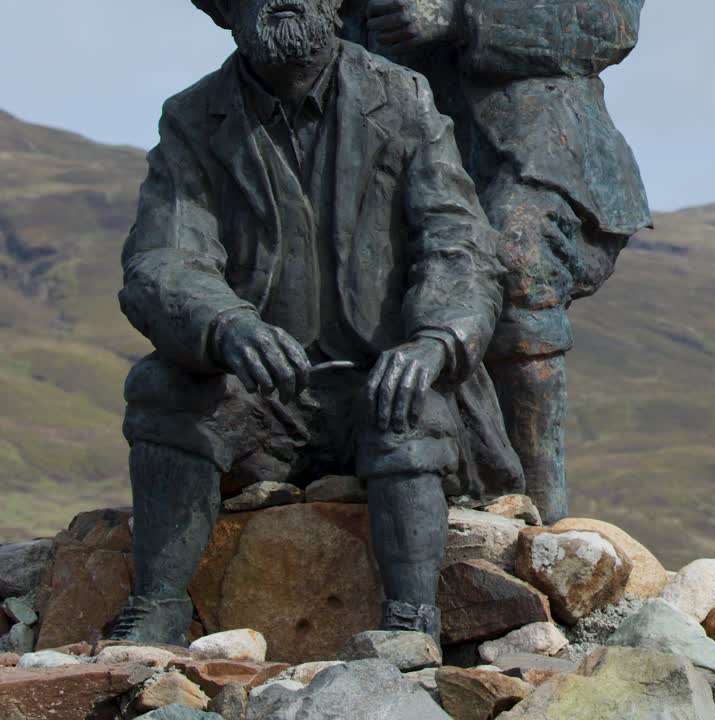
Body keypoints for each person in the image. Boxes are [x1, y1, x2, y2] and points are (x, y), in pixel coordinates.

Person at [110, 0, 518, 645]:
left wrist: (436, 342)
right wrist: (226, 327)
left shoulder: (403, 99)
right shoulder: (192, 116)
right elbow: (164, 258)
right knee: (163, 388)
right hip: (260, 394)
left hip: (374, 381)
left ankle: (411, 621)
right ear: (225, 11)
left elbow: (458, 242)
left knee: (409, 406)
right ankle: (158, 606)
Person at [342, 0, 652, 524]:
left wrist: (461, 16)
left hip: (536, 155)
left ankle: (540, 517)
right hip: (387, 143)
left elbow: (608, 22)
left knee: (512, 264)